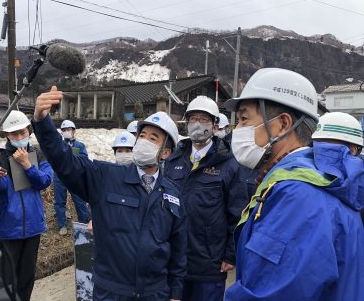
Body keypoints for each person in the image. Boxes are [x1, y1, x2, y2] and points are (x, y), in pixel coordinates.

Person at [32, 86, 187, 301]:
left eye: (153, 138)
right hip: (112, 292)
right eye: (142, 135)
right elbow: (65, 161)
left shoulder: (173, 195)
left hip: (155, 293)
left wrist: (176, 294)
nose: (144, 140)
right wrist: (42, 122)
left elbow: (178, 251)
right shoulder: (106, 176)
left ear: (166, 153)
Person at [223, 68, 364, 300]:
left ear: (282, 124)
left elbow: (270, 292)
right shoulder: (302, 183)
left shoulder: (298, 197)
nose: (237, 130)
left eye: (244, 119)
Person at [165, 96, 258, 301]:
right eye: (192, 119)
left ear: (215, 126)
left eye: (204, 119)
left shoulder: (229, 163)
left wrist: (230, 254)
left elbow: (237, 212)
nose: (197, 124)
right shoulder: (174, 160)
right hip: (174, 258)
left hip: (209, 261)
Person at [0, 110, 52, 301]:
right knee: (2, 279)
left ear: (29, 131)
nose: (20, 137)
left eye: (23, 132)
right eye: (14, 134)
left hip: (32, 227)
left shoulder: (38, 154)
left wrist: (27, 165)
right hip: (6, 228)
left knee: (26, 277)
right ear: (7, 135)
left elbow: (45, 181)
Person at [54, 119, 90, 236]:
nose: (66, 131)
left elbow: (84, 160)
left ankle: (83, 223)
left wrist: (74, 157)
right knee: (60, 201)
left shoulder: (80, 145)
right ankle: (62, 225)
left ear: (74, 131)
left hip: (75, 176)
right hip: (60, 176)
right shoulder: (58, 144)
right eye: (64, 130)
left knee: (79, 200)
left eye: (68, 129)